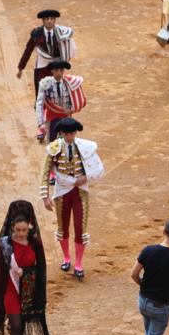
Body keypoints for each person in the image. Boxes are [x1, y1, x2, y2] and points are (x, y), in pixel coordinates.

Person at [0, 201, 51, 335]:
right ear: (12, 228)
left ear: (29, 227)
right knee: (16, 325)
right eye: (18, 230)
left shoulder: (36, 243)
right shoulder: (5, 244)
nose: (21, 233)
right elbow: (0, 272)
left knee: (21, 324)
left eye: (24, 230)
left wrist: (27, 275)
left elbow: (41, 269)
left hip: (29, 291)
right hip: (11, 289)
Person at [39, 118, 104, 279]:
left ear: (76, 133)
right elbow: (45, 173)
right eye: (66, 134)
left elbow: (99, 168)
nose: (69, 137)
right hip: (62, 192)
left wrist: (86, 177)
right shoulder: (54, 148)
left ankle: (79, 264)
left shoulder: (84, 147)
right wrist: (45, 197)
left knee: (80, 228)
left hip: (80, 192)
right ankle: (67, 258)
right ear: (61, 133)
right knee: (63, 228)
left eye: (72, 133)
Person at [17, 9, 77, 97]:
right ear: (43, 21)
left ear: (55, 20)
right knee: (40, 95)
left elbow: (70, 48)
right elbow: (28, 50)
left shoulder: (62, 33)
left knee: (57, 94)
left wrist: (63, 63)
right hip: (41, 69)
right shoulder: (36, 34)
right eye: (47, 19)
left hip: (56, 69)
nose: (49, 21)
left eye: (52, 19)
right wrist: (21, 68)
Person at [34, 59, 86, 143]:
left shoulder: (70, 82)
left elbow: (79, 100)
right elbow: (39, 104)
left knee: (67, 142)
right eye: (56, 70)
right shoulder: (45, 83)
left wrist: (72, 109)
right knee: (52, 144)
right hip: (52, 117)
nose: (59, 73)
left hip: (66, 117)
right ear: (52, 71)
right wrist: (41, 123)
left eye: (61, 70)